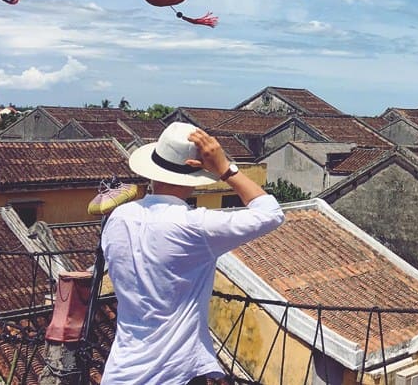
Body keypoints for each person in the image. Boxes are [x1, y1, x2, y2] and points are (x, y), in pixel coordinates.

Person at [101, 122, 284, 385]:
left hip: (121, 370)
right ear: (197, 170)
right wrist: (225, 168)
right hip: (174, 373)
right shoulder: (195, 226)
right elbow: (270, 213)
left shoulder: (119, 217)